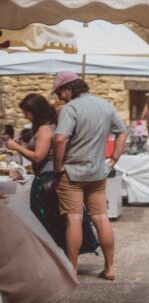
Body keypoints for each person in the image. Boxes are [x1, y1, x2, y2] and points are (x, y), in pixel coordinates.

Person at [51, 72, 126, 280]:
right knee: (101, 218)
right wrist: (113, 161)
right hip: (97, 172)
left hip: (72, 172)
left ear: (68, 88)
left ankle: (72, 270)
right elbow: (123, 132)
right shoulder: (105, 105)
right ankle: (110, 268)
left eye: (59, 92)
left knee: (73, 220)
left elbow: (59, 140)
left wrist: (58, 167)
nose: (59, 97)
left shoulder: (70, 108)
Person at [6, 93, 99, 254]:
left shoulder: (44, 129)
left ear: (36, 112)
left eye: (27, 113)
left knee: (48, 223)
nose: (25, 116)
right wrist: (26, 146)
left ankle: (57, 259)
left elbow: (38, 156)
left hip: (46, 181)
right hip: (51, 178)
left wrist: (17, 148)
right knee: (57, 222)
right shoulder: (51, 125)